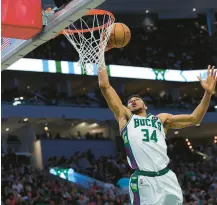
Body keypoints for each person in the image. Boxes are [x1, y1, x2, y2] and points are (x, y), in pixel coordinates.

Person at [98, 63, 216, 205]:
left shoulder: (161, 119)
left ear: (145, 105)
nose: (133, 101)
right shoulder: (126, 117)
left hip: (167, 177)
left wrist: (208, 94)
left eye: (136, 99)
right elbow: (105, 86)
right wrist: (100, 56)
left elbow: (195, 118)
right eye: (130, 101)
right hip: (144, 179)